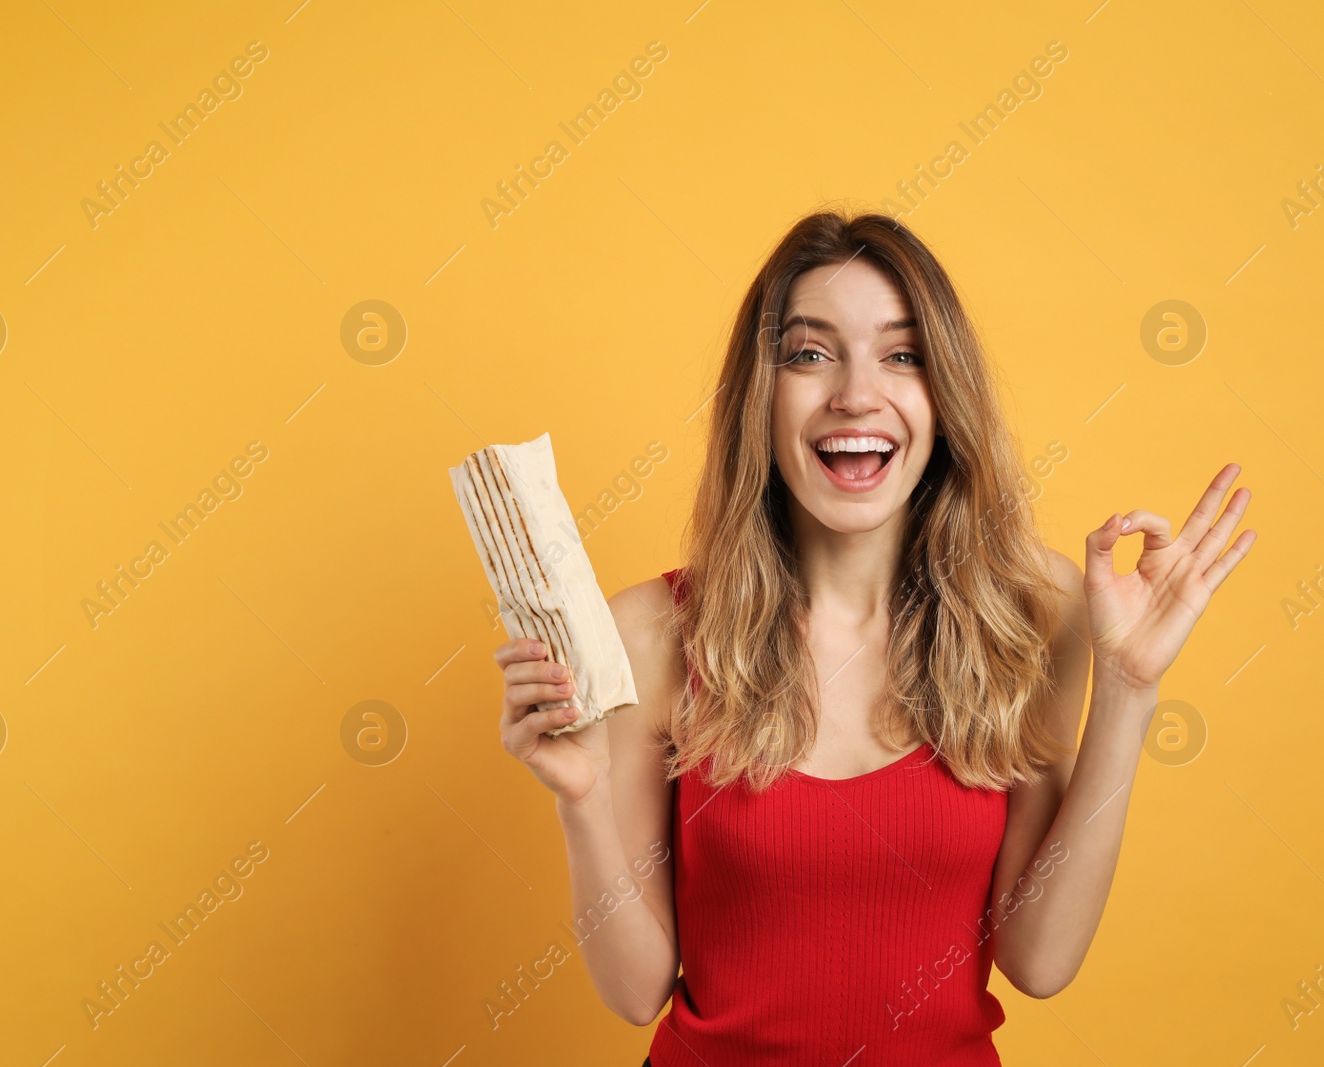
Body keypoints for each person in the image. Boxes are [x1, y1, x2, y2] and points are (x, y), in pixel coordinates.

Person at [493, 210, 1254, 1065]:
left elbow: (1039, 960)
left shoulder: (1038, 616)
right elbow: (636, 992)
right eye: (810, 354)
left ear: (944, 395)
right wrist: (581, 798)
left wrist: (1129, 691)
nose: (856, 393)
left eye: (902, 354)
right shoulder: (651, 634)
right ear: (761, 395)